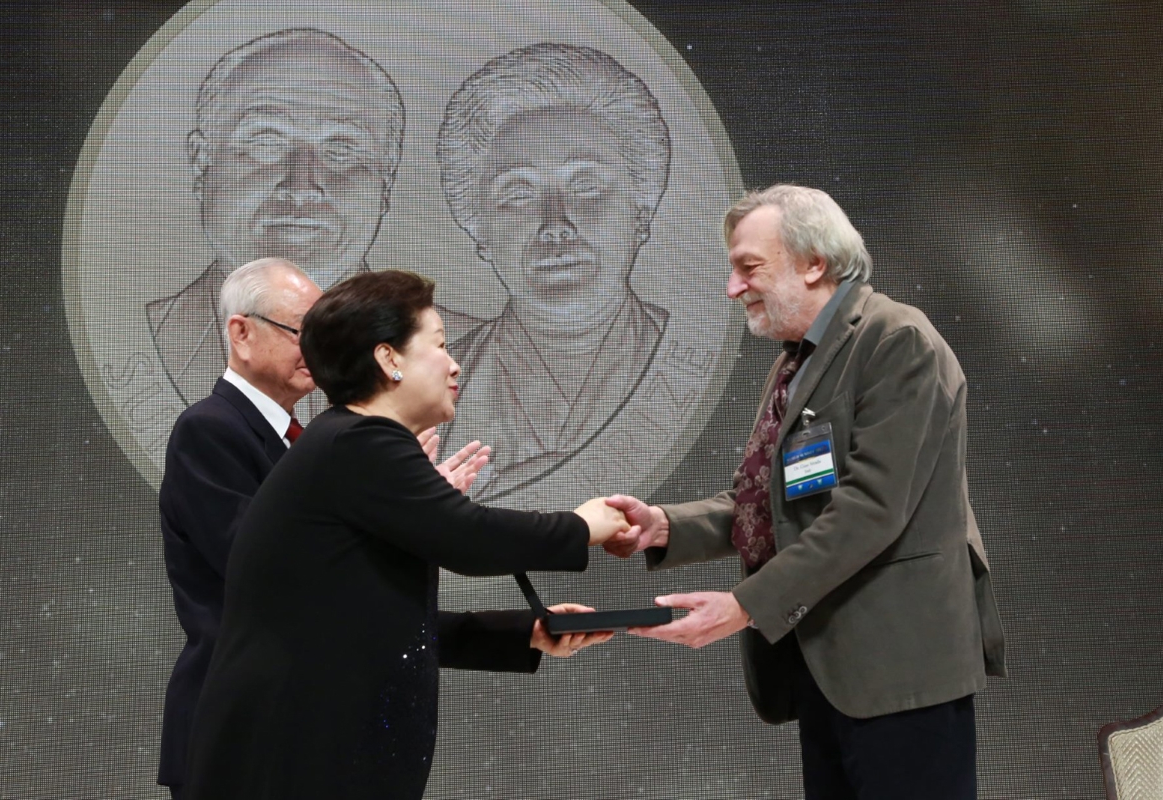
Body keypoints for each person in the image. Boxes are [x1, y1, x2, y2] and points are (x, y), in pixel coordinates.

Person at [602, 185, 1006, 799]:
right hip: (826, 668)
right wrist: (665, 526)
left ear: (814, 263)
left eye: (748, 268)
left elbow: (870, 509)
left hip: (900, 672)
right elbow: (777, 501)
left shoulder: (896, 340)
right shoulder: (799, 361)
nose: (732, 288)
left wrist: (745, 606)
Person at [182, 269, 631, 800]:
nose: (454, 364)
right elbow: (471, 538)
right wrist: (584, 526)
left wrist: (524, 632)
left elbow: (370, 619)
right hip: (293, 758)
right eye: (439, 345)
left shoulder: (346, 440)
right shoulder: (359, 441)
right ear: (388, 358)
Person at [157, 258, 492, 800]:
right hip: (245, 737)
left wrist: (407, 509)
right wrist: (407, 517)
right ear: (241, 333)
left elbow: (354, 600)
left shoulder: (306, 441)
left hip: (311, 735)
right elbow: (274, 571)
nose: (317, 350)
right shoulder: (210, 429)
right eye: (301, 332)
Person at [435, 43, 672, 501]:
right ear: (478, 230)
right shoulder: (429, 388)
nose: (555, 224)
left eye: (585, 185)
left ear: (641, 212)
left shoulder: (679, 357)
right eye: (518, 194)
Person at [146, 28, 404, 406]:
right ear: (202, 163)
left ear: (387, 180)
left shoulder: (458, 351)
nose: (301, 187)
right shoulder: (143, 338)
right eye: (265, 141)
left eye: (341, 149)